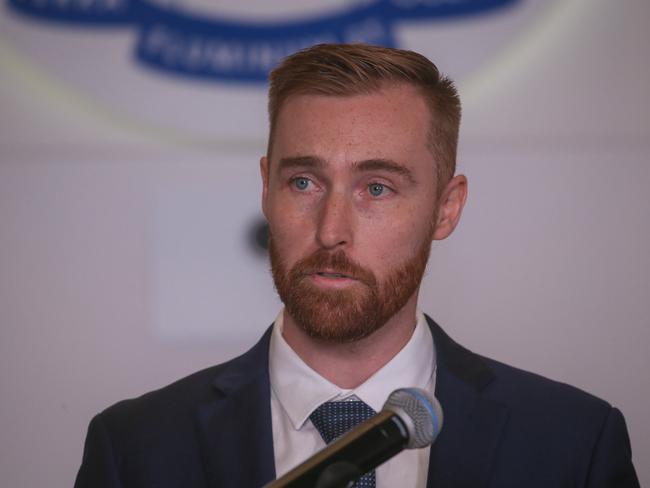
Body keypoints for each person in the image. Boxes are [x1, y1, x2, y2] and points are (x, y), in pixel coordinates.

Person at [74, 43, 639, 488]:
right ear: (266, 190)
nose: (331, 230)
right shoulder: (135, 449)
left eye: (376, 187)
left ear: (447, 207)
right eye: (303, 182)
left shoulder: (572, 443)